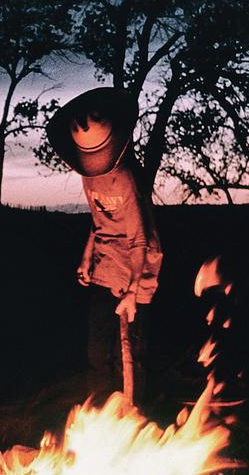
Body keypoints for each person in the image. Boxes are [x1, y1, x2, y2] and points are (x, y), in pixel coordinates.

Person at [46, 87, 162, 404]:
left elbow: (139, 239)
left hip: (138, 269)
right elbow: (99, 222)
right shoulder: (89, 172)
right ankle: (99, 413)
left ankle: (132, 414)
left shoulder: (126, 179)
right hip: (106, 265)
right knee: (97, 350)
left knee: (129, 354)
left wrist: (132, 290)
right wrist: (86, 259)